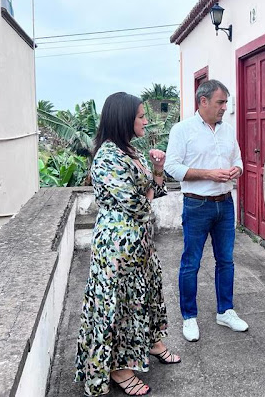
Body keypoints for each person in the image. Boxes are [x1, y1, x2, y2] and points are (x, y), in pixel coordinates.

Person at [75, 92, 180, 396]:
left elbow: (154, 193)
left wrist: (157, 169)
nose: (146, 121)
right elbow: (137, 204)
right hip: (117, 249)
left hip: (140, 245)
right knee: (120, 307)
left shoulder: (130, 151)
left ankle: (153, 343)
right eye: (141, 116)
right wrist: (147, 193)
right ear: (124, 120)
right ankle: (119, 370)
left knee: (144, 297)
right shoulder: (108, 156)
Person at [164, 79, 248, 343]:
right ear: (203, 101)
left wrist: (238, 170)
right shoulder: (182, 130)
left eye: (225, 102)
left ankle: (226, 311)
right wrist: (208, 174)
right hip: (196, 203)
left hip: (225, 203)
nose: (225, 107)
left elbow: (238, 160)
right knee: (191, 263)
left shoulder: (227, 130)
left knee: (226, 261)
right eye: (220, 102)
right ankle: (189, 317)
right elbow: (172, 167)